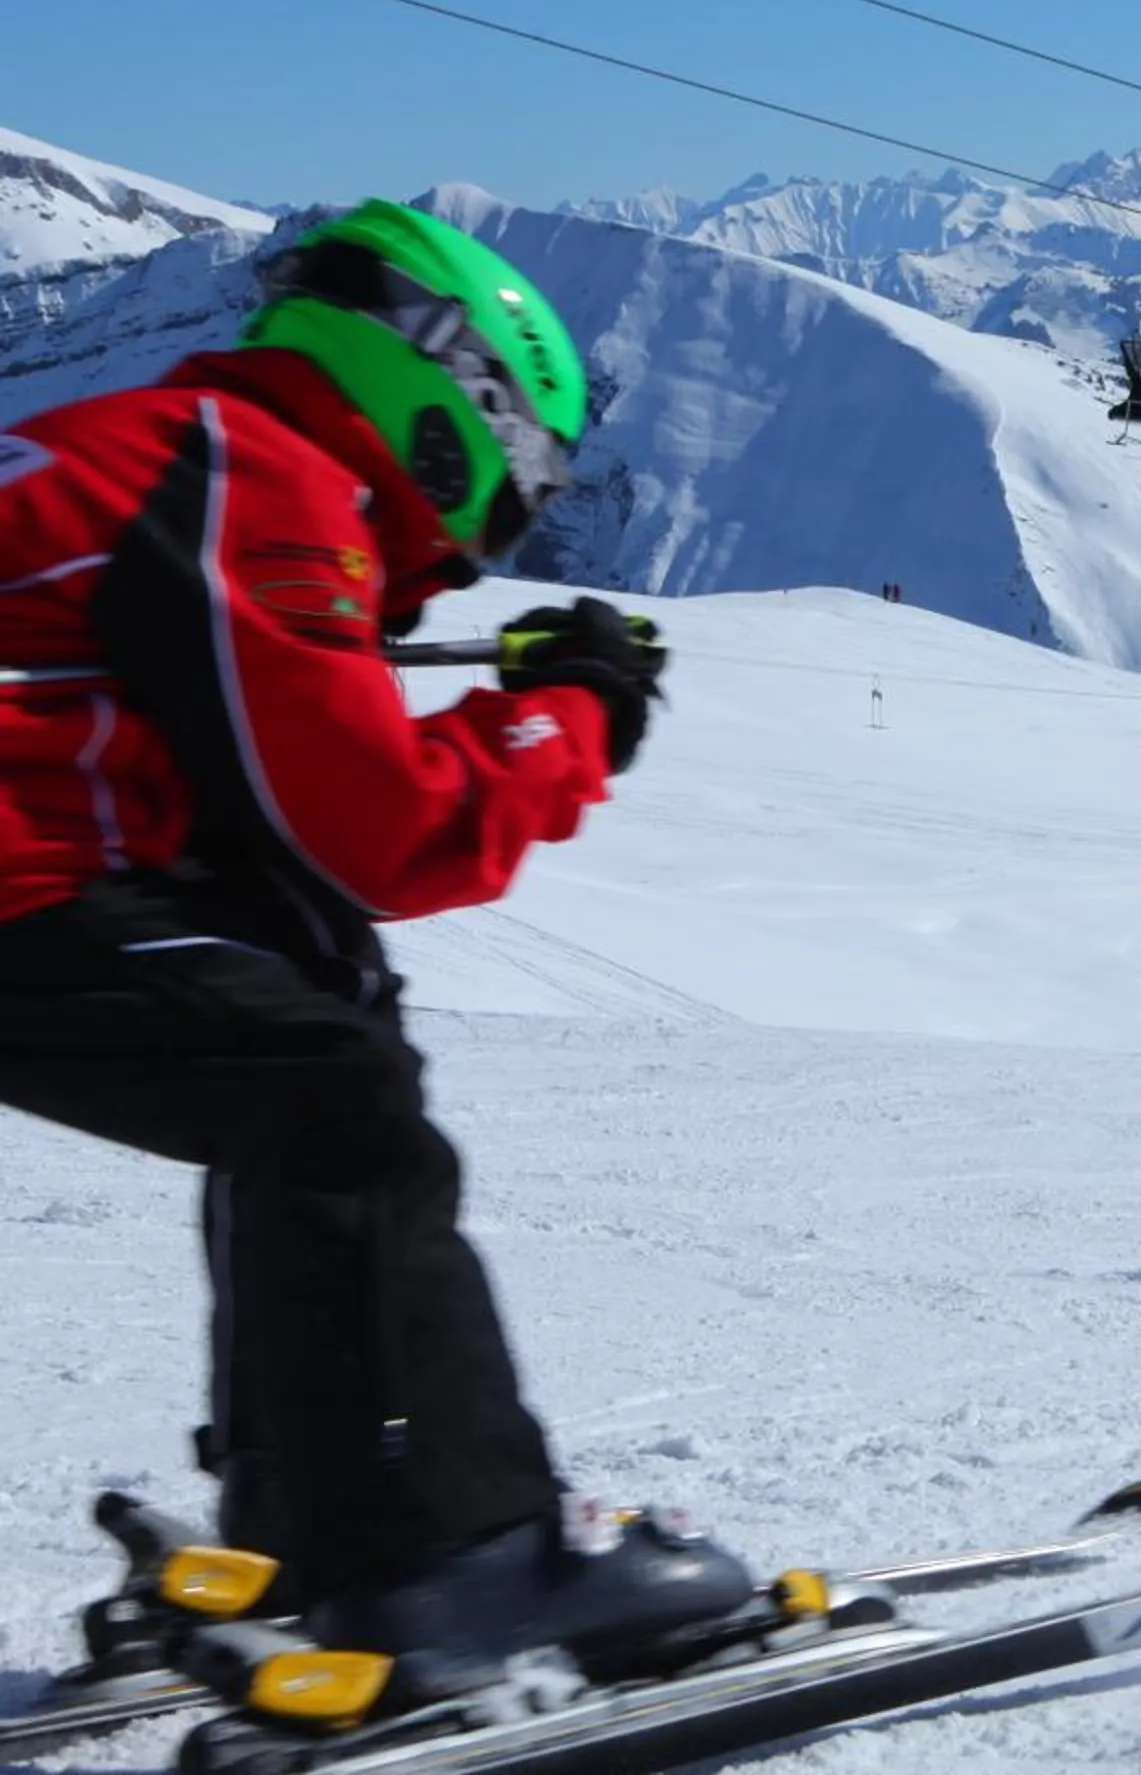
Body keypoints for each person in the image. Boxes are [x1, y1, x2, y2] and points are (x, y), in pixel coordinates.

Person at [0, 201, 751, 1703]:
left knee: (302, 1026)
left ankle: (309, 1516)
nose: (492, 540)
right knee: (330, 1093)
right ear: (450, 407)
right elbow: (375, 833)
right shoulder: (248, 477)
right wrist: (574, 719)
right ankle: (454, 1559)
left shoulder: (153, 445)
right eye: (518, 486)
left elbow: (250, 808)